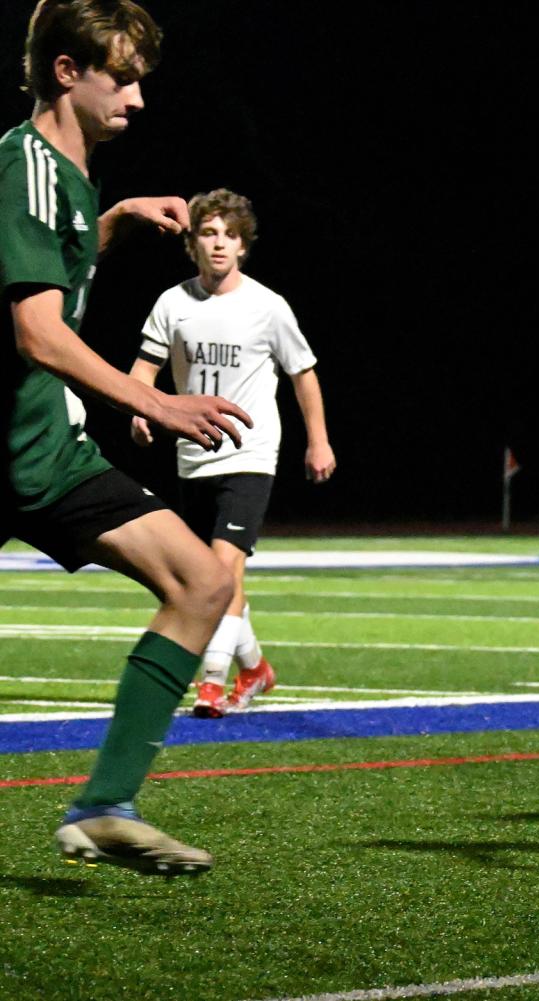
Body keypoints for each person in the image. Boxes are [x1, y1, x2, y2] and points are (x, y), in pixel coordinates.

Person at [2, 0, 253, 877]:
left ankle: (105, 805)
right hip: (14, 440)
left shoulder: (71, 179)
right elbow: (37, 333)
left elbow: (48, 283)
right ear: (68, 73)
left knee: (201, 579)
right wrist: (164, 405)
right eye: (124, 76)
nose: (140, 99)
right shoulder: (26, 164)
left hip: (45, 452)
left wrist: (108, 226)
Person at [127, 188, 334, 716]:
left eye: (230, 235)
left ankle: (211, 683)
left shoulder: (268, 307)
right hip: (194, 457)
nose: (219, 244)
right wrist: (139, 408)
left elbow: (303, 375)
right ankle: (256, 669)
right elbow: (144, 370)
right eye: (208, 233)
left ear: (243, 246)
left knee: (223, 571)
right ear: (192, 244)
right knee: (209, 580)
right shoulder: (172, 303)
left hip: (250, 454)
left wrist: (318, 440)